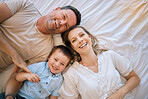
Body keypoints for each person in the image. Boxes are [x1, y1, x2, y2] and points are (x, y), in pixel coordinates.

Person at [0, 0, 81, 98]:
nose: (61, 22)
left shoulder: (46, 52)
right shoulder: (24, 6)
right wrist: (14, 55)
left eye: (66, 25)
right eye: (63, 16)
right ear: (57, 9)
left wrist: (10, 95)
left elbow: (19, 76)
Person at [58, 25, 140, 99]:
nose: (80, 40)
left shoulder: (109, 56)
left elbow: (135, 78)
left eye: (82, 35)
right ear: (73, 48)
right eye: (74, 40)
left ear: (89, 36)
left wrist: (119, 94)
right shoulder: (71, 73)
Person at [0, 45, 74, 99]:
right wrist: (27, 76)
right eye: (55, 59)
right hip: (19, 96)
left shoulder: (59, 80)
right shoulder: (39, 66)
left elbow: (53, 96)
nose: (57, 65)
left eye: (62, 64)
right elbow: (17, 77)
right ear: (49, 57)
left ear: (65, 67)